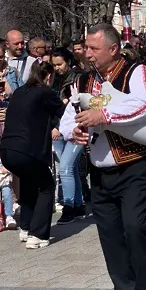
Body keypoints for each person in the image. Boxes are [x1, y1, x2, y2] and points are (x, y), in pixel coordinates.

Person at [59, 23, 146, 290]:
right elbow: (68, 117)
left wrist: (105, 115)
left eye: (93, 48)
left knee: (135, 229)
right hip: (100, 170)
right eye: (86, 48)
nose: (87, 53)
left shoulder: (136, 73)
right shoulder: (83, 81)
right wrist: (73, 130)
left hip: (134, 166)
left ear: (113, 49)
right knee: (111, 237)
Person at [1, 61, 65, 248]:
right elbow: (64, 112)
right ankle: (37, 235)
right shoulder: (45, 92)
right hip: (27, 149)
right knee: (46, 187)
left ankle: (26, 227)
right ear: (48, 76)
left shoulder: (20, 91)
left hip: (7, 149)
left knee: (29, 184)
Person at [49, 48, 86, 224]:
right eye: (54, 64)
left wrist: (56, 125)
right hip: (57, 131)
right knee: (70, 169)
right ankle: (78, 205)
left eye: (59, 64)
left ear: (68, 62)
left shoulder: (78, 79)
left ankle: (69, 207)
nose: (57, 68)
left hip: (74, 129)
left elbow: (75, 107)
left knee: (65, 167)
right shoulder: (53, 79)